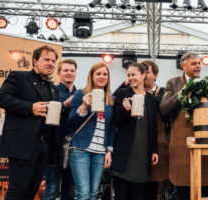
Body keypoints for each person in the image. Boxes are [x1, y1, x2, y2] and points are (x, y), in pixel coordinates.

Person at [0, 45, 60, 200]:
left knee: (31, 193)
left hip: (43, 147)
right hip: (22, 146)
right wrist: (30, 107)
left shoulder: (52, 88)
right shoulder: (19, 77)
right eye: (46, 59)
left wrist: (53, 153)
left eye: (54, 61)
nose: (51, 63)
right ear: (35, 61)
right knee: (17, 193)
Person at [159, 52, 208, 199]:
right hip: (181, 143)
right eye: (194, 63)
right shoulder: (173, 83)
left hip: (205, 139)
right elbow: (164, 109)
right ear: (183, 65)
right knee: (183, 186)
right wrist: (181, 93)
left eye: (199, 63)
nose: (198, 66)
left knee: (206, 186)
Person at [111, 63, 159, 200]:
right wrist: (125, 110)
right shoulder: (122, 94)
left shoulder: (151, 99)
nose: (130, 78)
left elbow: (153, 126)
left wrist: (155, 150)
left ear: (143, 75)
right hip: (125, 153)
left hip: (143, 154)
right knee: (121, 195)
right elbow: (117, 120)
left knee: (138, 195)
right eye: (128, 75)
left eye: (133, 75)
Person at [68, 62, 115, 200]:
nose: (102, 76)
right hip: (80, 148)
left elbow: (112, 127)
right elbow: (71, 122)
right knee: (83, 192)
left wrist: (109, 151)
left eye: (105, 74)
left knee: (94, 192)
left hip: (100, 152)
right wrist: (83, 106)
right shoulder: (80, 94)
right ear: (92, 76)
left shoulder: (111, 100)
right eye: (98, 74)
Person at [44, 59, 78, 200]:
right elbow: (46, 116)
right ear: (58, 73)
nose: (69, 73)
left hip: (74, 148)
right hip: (54, 147)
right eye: (65, 70)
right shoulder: (51, 91)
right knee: (51, 189)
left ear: (75, 73)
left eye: (72, 70)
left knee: (70, 192)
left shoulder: (80, 94)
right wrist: (64, 105)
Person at [141, 60, 170, 200]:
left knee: (158, 186)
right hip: (139, 145)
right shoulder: (132, 92)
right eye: (142, 71)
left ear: (155, 75)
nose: (144, 74)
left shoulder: (164, 92)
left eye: (147, 71)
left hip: (159, 144)